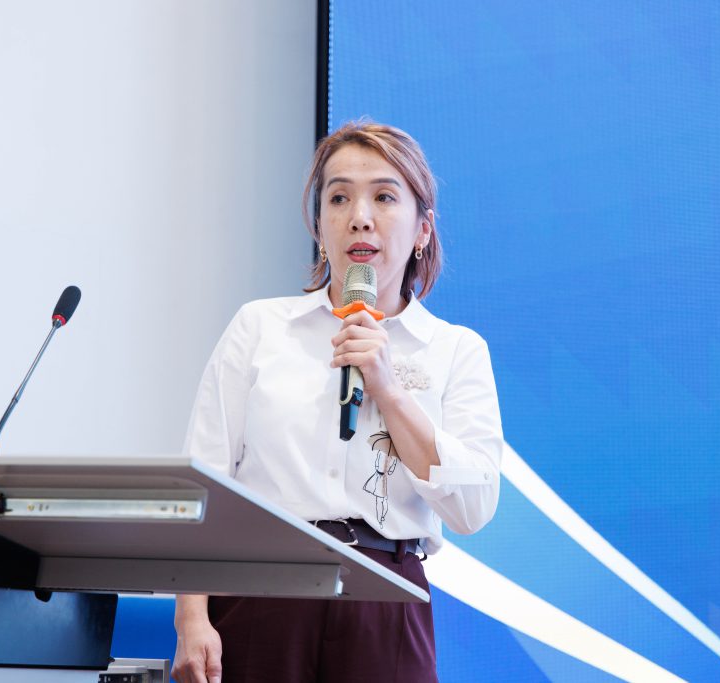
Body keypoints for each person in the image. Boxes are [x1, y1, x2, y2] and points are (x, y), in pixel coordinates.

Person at [171, 121, 503, 683]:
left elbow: (472, 509)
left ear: (423, 230)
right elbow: (202, 482)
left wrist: (388, 389)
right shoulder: (260, 327)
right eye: (339, 197)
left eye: (384, 197)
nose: (360, 217)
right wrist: (190, 618)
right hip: (261, 590)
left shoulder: (455, 350)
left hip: (386, 599)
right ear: (320, 227)